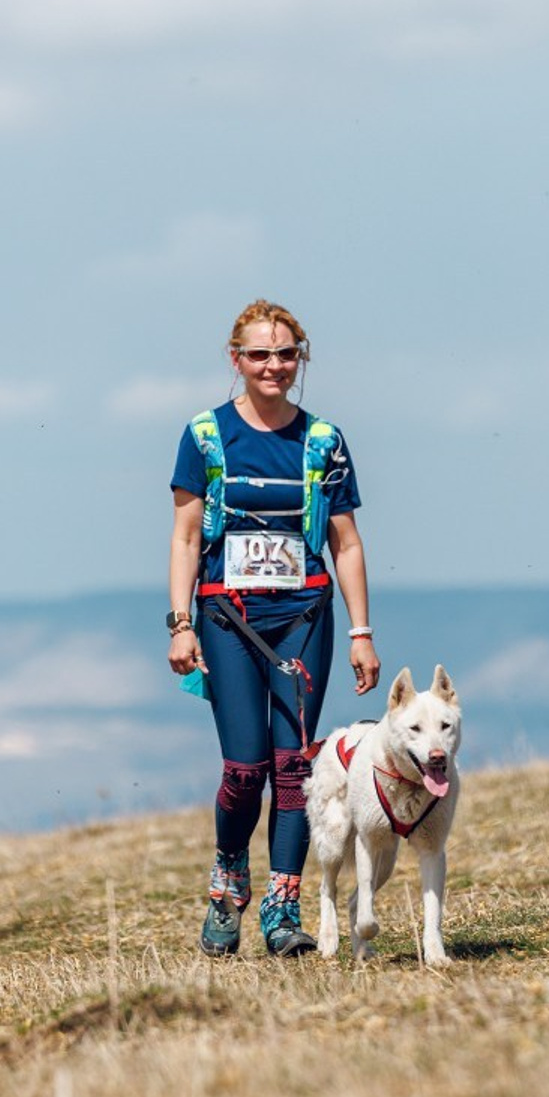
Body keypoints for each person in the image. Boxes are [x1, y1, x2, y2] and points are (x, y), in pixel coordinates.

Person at [167, 298, 381, 957]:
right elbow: (183, 537)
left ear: (300, 359)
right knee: (245, 768)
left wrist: (360, 631)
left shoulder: (323, 441)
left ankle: (282, 913)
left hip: (304, 617)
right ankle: (229, 882)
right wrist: (182, 624)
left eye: (285, 354)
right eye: (259, 354)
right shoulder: (205, 435)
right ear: (236, 360)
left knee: (296, 768)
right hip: (228, 618)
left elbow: (345, 542)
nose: (273, 366)